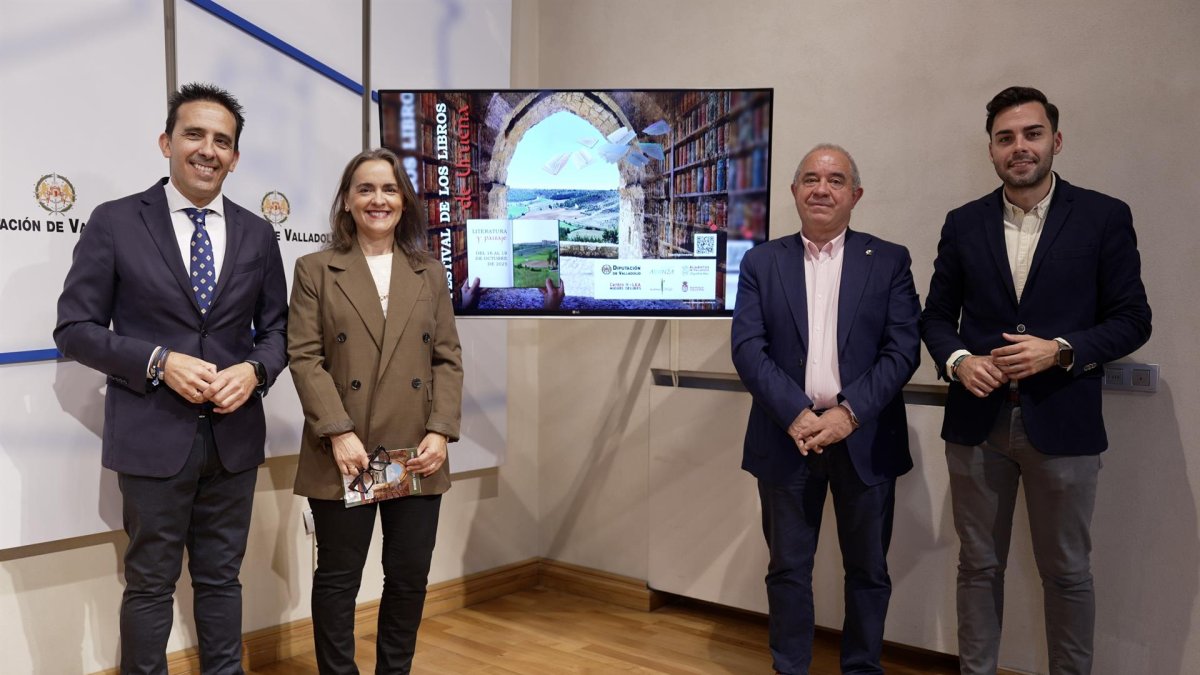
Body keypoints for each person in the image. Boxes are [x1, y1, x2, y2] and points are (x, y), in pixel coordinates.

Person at [54, 82, 288, 673]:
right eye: (194, 135)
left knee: (221, 581)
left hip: (233, 441)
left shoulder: (259, 233)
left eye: (222, 141)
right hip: (151, 435)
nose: (208, 150)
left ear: (235, 157)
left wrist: (256, 371)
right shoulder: (114, 222)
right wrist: (158, 362)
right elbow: (75, 328)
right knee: (150, 586)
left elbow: (279, 333)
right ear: (166, 142)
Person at [920, 86, 1152, 674]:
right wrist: (957, 362)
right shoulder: (963, 222)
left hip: (1065, 420)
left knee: (1068, 572)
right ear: (991, 150)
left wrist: (1062, 350)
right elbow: (936, 318)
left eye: (1031, 134)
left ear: (1056, 140)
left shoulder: (1103, 215)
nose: (1018, 147)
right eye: (1005, 138)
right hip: (977, 425)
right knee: (977, 567)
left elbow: (1132, 319)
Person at [731, 144, 921, 674]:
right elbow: (748, 348)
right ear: (794, 192)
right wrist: (797, 414)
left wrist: (846, 415)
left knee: (867, 571)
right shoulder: (761, 261)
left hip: (864, 438)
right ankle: (790, 668)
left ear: (855, 195)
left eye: (836, 180)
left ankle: (861, 668)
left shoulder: (889, 260)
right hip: (784, 436)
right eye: (811, 178)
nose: (822, 188)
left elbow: (902, 350)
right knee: (788, 570)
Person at [288, 148, 464, 674]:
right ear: (347, 201)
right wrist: (338, 432)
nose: (377, 199)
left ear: (404, 201)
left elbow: (447, 359)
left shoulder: (429, 273)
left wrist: (441, 431)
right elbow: (304, 356)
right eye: (365, 189)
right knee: (339, 580)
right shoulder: (315, 269)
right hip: (346, 450)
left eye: (388, 189)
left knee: (408, 578)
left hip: (416, 451)